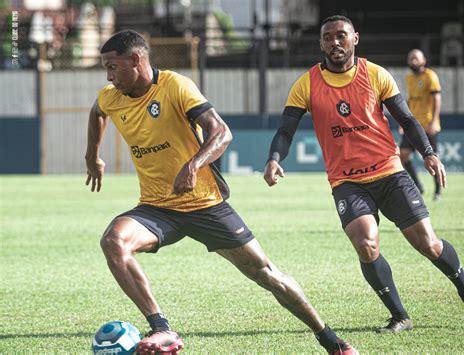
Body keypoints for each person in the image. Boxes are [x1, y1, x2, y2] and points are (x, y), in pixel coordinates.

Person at [85, 30, 358, 355]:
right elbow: (98, 112)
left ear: (136, 60)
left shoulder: (175, 86)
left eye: (112, 67)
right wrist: (92, 156)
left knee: (267, 275)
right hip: (157, 208)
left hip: (205, 205)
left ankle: (331, 341)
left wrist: (194, 165)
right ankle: (162, 329)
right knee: (113, 241)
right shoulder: (111, 96)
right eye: (105, 68)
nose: (108, 76)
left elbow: (221, 132)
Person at [264, 15, 464, 334]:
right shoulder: (306, 83)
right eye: (328, 37)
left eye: (341, 36)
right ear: (321, 44)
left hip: (390, 173)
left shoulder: (375, 74)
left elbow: (407, 119)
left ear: (355, 39)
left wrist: (429, 153)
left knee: (428, 244)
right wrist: (275, 158)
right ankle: (399, 316)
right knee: (366, 243)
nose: (335, 42)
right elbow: (285, 129)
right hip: (347, 182)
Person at [400, 49, 442, 200]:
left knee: (433, 158)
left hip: (429, 125)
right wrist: (403, 121)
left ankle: (438, 191)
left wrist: (433, 121)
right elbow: (410, 100)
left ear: (424, 60)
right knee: (403, 155)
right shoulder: (409, 78)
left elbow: (437, 99)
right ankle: (418, 185)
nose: (413, 61)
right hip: (412, 125)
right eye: (411, 58)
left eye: (416, 58)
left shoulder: (430, 76)